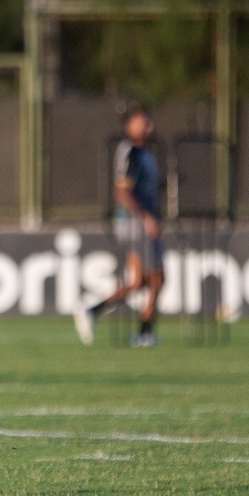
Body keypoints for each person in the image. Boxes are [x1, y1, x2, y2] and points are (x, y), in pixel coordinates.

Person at [74, 105, 164, 347]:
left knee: (140, 282)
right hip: (136, 225)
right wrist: (146, 217)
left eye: (149, 122)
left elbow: (144, 187)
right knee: (156, 279)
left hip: (138, 223)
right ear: (129, 126)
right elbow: (122, 192)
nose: (149, 127)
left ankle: (93, 311)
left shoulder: (145, 153)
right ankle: (144, 333)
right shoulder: (131, 152)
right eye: (143, 122)